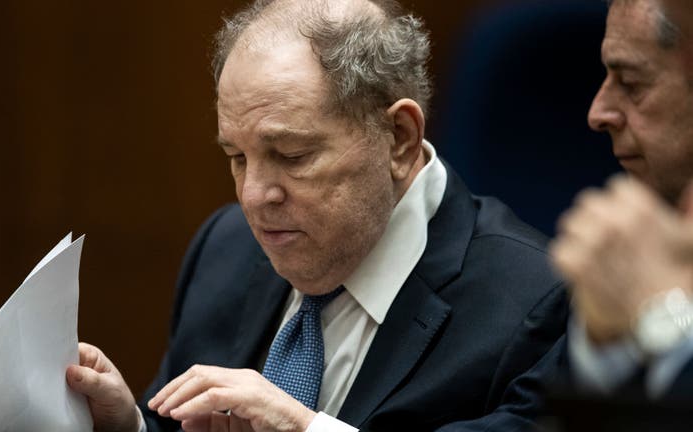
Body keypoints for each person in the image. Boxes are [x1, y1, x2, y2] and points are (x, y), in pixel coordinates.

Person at [66, 0, 568, 431]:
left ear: (399, 138)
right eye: (237, 158)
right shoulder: (224, 248)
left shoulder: (539, 304)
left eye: (291, 154)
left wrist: (306, 429)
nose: (255, 196)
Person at [551, 0, 693, 402]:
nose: (597, 113)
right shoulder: (637, 243)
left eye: (631, 83)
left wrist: (663, 320)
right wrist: (606, 342)